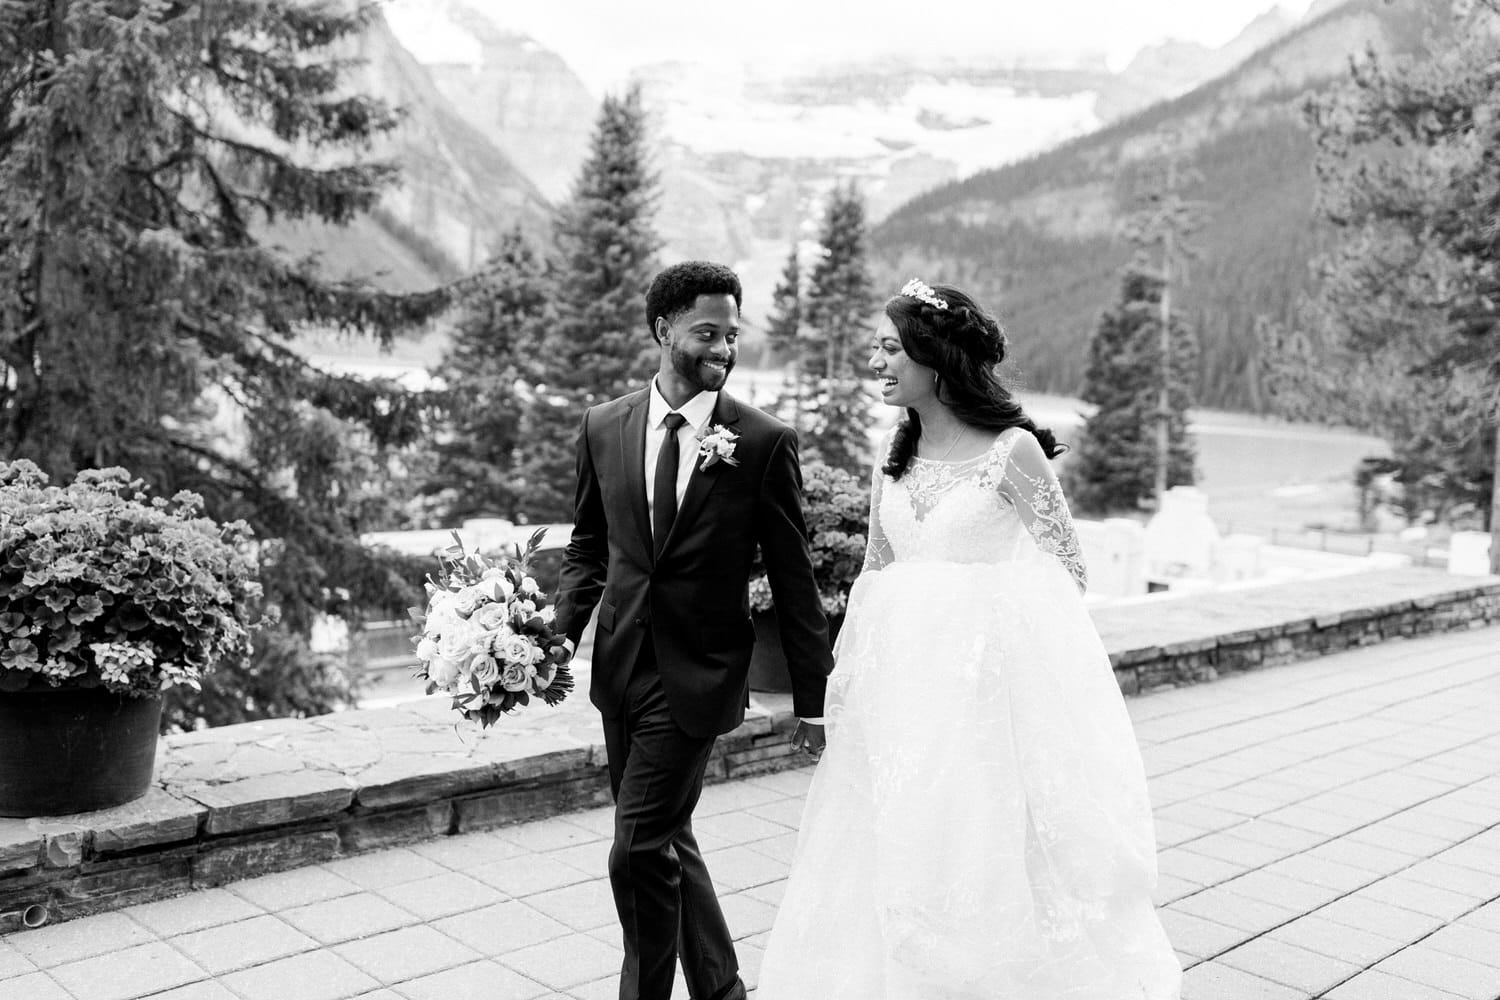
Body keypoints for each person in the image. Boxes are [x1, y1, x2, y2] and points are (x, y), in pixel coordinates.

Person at [756, 280, 1181, 999]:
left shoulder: (1012, 451)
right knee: (893, 850)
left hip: (983, 703)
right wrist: (841, 687)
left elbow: (1068, 570)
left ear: (936, 356)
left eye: (890, 348)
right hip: (900, 705)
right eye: (876, 348)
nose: (876, 362)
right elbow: (875, 573)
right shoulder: (893, 459)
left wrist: (966, 616)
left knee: (977, 851)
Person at [554, 260, 835, 1000]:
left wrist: (813, 700)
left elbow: (794, 577)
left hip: (701, 676)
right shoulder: (604, 426)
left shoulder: (764, 442)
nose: (723, 348)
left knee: (636, 847)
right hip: (620, 669)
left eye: (732, 335)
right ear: (662, 330)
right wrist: (558, 637)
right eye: (707, 332)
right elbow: (589, 547)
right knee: (666, 839)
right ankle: (721, 988)